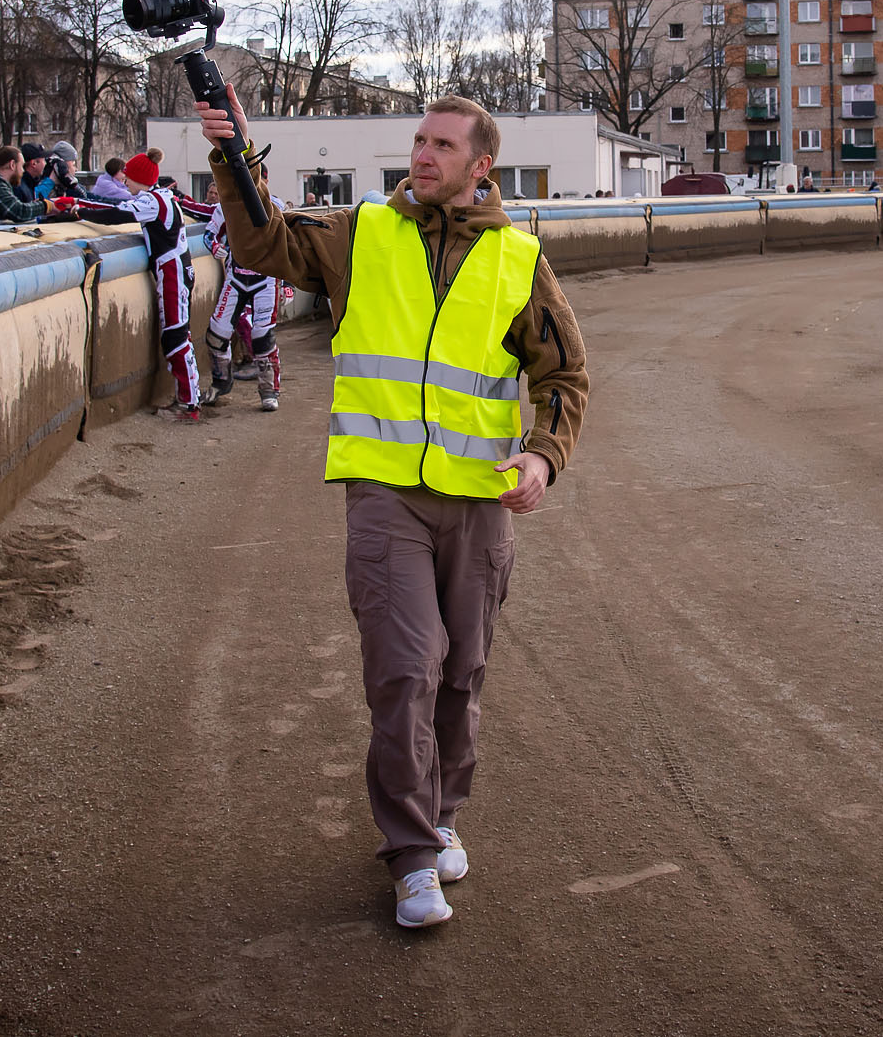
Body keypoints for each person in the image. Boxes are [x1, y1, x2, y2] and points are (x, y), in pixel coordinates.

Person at [198, 91, 587, 930]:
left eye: (443, 145)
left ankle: (445, 813)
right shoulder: (360, 231)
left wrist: (541, 455)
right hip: (384, 496)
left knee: (460, 671)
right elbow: (263, 241)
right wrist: (235, 155)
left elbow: (564, 377)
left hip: (479, 502)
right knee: (404, 669)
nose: (423, 155)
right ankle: (411, 857)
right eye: (418, 140)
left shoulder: (519, 259)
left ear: (481, 165)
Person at [119, 154, 204, 421]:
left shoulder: (154, 200)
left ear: (140, 179)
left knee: (175, 336)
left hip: (173, 273)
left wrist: (74, 205)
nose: (125, 182)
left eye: (128, 177)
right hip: (176, 271)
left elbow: (115, 212)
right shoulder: (162, 197)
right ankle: (190, 399)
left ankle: (189, 404)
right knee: (178, 335)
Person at [205, 194, 283, 413]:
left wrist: (287, 283)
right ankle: (221, 382)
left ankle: (269, 390)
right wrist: (213, 246)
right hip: (236, 277)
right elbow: (209, 234)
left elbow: (287, 245)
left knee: (262, 338)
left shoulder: (274, 205)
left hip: (266, 278)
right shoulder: (225, 206)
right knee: (216, 335)